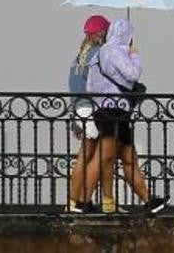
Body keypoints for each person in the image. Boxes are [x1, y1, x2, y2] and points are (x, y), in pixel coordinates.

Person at [86, 17, 168, 214]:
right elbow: (132, 74)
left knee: (129, 158)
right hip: (113, 111)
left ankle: (150, 202)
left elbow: (89, 86)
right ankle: (82, 201)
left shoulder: (99, 54)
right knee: (104, 157)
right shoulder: (113, 52)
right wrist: (135, 55)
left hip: (107, 110)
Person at [65, 14, 109, 213]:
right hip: (92, 110)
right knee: (92, 157)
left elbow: (74, 90)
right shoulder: (99, 54)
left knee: (87, 156)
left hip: (79, 110)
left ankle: (77, 201)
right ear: (101, 33)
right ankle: (78, 200)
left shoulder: (78, 58)